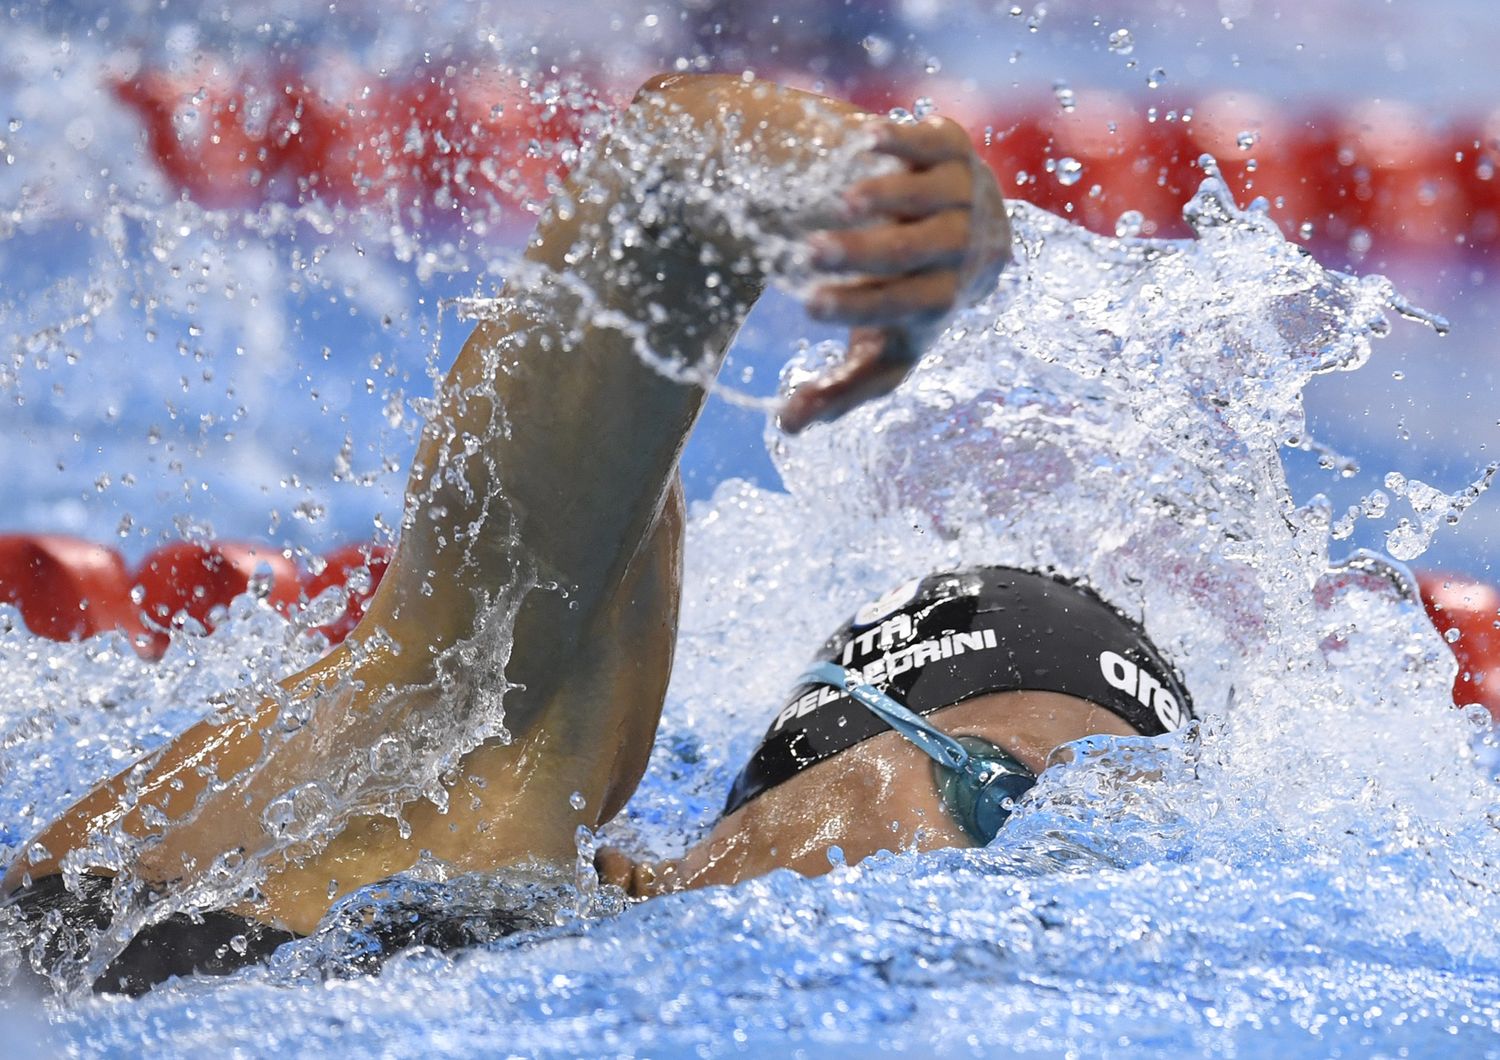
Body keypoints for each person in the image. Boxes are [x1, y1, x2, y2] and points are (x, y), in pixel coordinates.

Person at [1, 72, 1193, 994]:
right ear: (763, 795)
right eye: (986, 792)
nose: (1004, 895)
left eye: (1074, 865)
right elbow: (673, 169)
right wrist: (891, 196)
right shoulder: (469, 750)